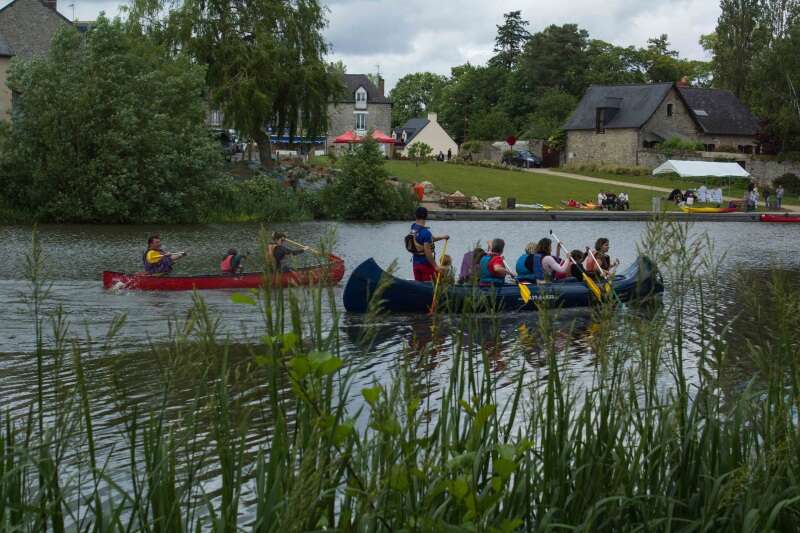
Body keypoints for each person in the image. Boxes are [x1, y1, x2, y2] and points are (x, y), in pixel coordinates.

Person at [407, 206, 449, 282]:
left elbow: (431, 239)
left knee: (419, 285)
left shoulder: (413, 227)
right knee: (432, 284)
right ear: (426, 216)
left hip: (415, 264)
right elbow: (427, 252)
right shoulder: (426, 233)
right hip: (425, 265)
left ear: (415, 216)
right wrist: (436, 266)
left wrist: (443, 237)